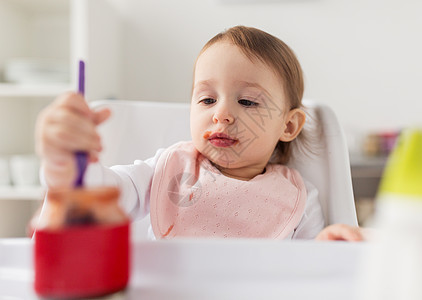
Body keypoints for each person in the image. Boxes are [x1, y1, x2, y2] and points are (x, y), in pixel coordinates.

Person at [36, 26, 364, 241]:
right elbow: (102, 194)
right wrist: (69, 164)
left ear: (288, 126)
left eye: (247, 101)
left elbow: (311, 271)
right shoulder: (169, 168)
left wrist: (332, 245)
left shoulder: (297, 199)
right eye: (207, 99)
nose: (220, 113)